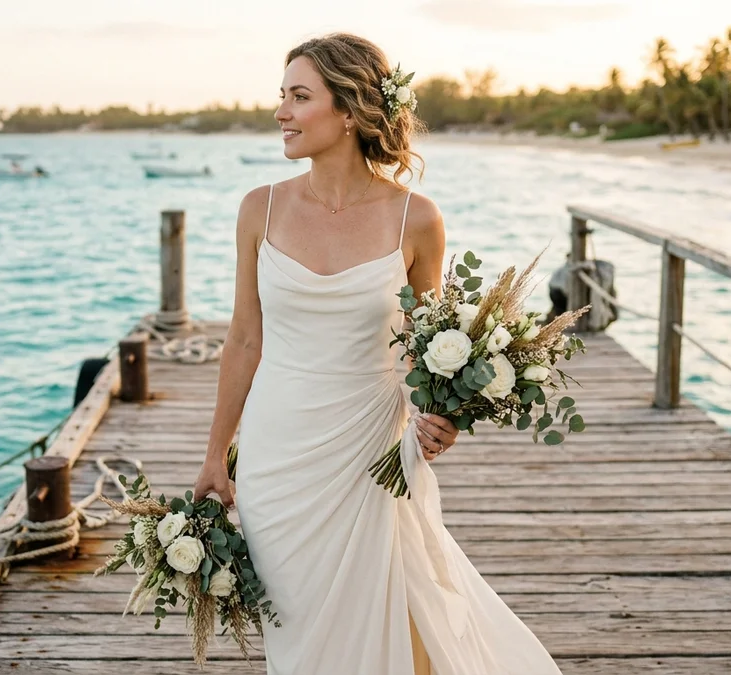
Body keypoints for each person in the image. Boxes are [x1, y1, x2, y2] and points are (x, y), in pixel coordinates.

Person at [192, 33, 563, 674]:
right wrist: (214, 456)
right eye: (281, 95)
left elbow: (428, 348)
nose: (280, 111)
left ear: (351, 110)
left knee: (383, 605)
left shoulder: (415, 220)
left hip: (370, 451)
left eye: (299, 96)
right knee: (299, 629)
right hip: (276, 457)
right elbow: (244, 339)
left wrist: (442, 414)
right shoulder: (260, 209)